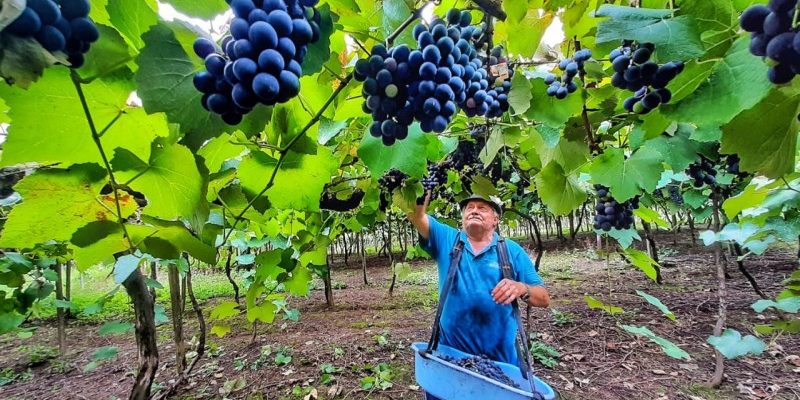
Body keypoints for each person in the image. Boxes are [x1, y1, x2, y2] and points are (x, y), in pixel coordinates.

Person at [407, 194, 550, 368]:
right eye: (469, 207)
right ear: (463, 216)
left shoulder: (511, 250)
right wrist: (426, 186)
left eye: (482, 208)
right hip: (450, 355)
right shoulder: (446, 239)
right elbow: (416, 215)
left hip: (500, 361)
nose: (474, 211)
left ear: (495, 220)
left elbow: (543, 298)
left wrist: (521, 288)